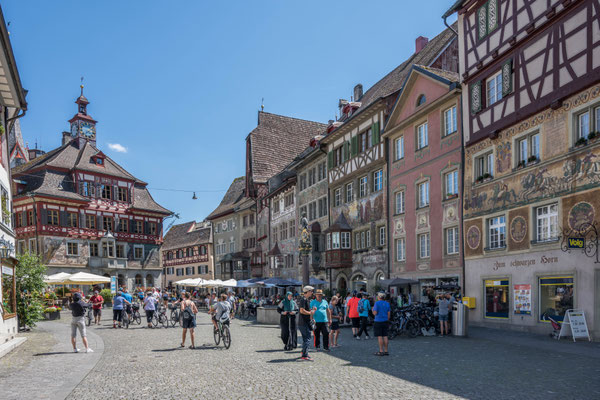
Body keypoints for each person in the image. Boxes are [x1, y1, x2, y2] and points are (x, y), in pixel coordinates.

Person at [297, 286, 314, 361]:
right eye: (311, 291)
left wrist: (312, 312)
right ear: (307, 291)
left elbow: (306, 311)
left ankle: (304, 352)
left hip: (305, 322)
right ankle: (304, 355)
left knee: (305, 339)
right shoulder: (303, 300)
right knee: (307, 338)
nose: (312, 292)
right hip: (303, 323)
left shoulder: (307, 300)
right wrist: (310, 312)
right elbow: (301, 311)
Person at [372, 292, 391, 356]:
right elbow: (389, 315)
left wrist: (372, 309)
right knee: (385, 336)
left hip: (378, 321)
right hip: (385, 321)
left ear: (379, 297)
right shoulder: (387, 303)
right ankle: (386, 350)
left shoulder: (377, 303)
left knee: (379, 336)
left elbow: (375, 313)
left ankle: (381, 351)